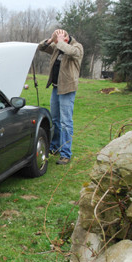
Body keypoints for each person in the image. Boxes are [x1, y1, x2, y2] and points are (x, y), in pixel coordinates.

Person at [38, 29, 84, 165]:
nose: (56, 43)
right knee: (55, 120)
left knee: (66, 123)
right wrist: (51, 40)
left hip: (67, 89)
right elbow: (41, 47)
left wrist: (60, 42)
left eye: (58, 39)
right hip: (56, 87)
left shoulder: (77, 47)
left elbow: (70, 52)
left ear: (66, 38)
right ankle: (55, 147)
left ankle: (66, 154)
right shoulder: (57, 46)